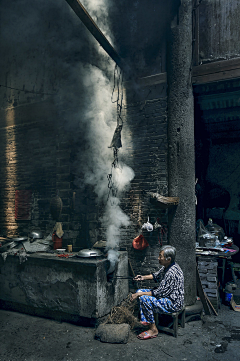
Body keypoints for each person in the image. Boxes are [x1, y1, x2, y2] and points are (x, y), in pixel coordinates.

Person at [130, 245, 184, 340]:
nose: (158, 258)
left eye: (160, 256)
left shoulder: (171, 273)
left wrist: (139, 294)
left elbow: (158, 293)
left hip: (173, 302)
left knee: (143, 297)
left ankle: (153, 329)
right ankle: (146, 320)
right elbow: (156, 275)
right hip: (165, 295)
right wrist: (142, 277)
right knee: (140, 291)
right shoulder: (167, 266)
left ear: (168, 259)